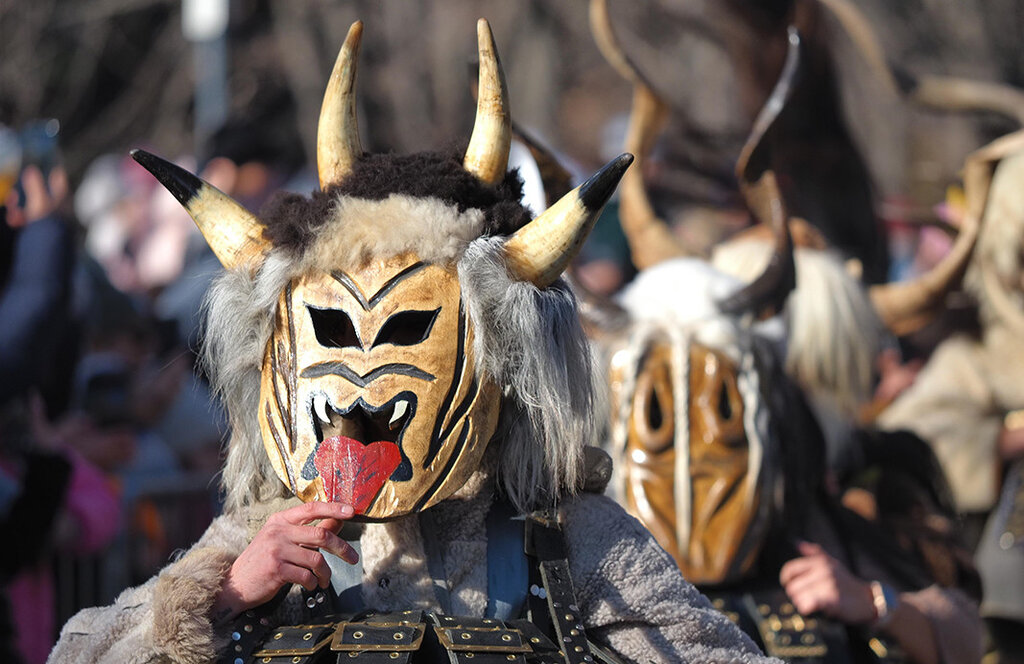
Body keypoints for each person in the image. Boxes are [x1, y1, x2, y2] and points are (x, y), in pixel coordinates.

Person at [50, 20, 779, 664]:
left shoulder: (571, 539)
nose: (362, 381)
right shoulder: (263, 535)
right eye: (335, 331)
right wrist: (224, 593)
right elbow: (76, 651)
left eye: (405, 329)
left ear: (501, 352)